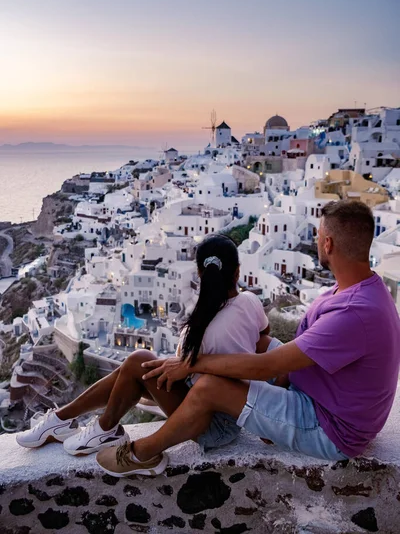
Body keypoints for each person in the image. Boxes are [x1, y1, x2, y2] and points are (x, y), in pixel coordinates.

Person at [95, 200, 400, 478]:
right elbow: (273, 352)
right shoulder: (353, 291)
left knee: (209, 386)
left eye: (320, 236)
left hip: (330, 428)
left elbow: (264, 368)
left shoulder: (354, 312)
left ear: (328, 243)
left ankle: (141, 454)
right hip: (325, 397)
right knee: (262, 343)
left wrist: (191, 363)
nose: (317, 241)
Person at [17, 234, 270, 472]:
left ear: (200, 275)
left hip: (211, 424)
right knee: (133, 367)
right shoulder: (251, 302)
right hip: (228, 413)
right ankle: (68, 420)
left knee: (138, 362)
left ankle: (90, 424)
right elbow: (263, 336)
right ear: (237, 273)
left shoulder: (200, 328)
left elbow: (182, 370)